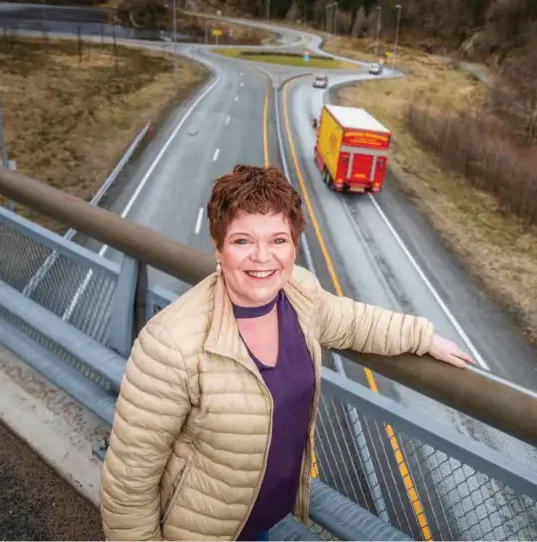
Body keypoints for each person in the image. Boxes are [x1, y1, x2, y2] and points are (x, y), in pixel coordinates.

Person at [99, 165, 474, 541]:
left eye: (278, 240)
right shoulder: (172, 344)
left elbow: (353, 321)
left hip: (265, 521)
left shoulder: (300, 294)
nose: (263, 257)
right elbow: (129, 483)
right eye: (243, 241)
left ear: (294, 246)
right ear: (218, 248)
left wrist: (422, 337)